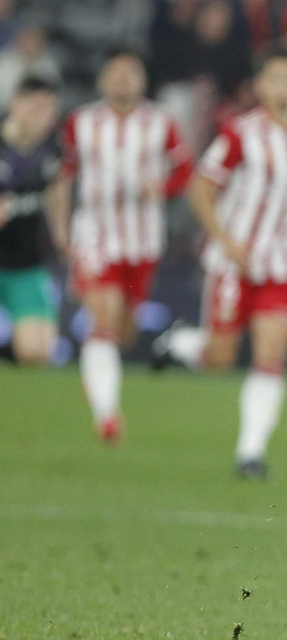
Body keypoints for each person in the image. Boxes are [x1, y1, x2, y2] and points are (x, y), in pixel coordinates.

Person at [150, 54, 287, 478]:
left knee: (271, 355)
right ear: (260, 85)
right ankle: (178, 344)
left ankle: (250, 453)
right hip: (233, 263)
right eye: (276, 78)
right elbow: (200, 188)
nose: (285, 86)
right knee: (219, 358)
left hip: (282, 265)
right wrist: (228, 243)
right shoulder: (240, 133)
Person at [59, 52, 193, 443]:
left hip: (142, 240)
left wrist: (161, 187)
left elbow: (184, 170)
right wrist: (63, 232)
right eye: (115, 72)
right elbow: (64, 176)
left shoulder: (161, 122)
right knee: (102, 319)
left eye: (130, 72)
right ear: (102, 80)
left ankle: (98, 375)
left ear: (142, 80)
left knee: (124, 331)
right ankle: (107, 416)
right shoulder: (81, 122)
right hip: (95, 235)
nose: (122, 79)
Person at [0, 77, 66, 365]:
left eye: (50, 109)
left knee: (37, 353)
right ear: (15, 103)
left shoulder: (51, 148)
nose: (44, 116)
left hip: (25, 264)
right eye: (36, 107)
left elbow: (58, 189)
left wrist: (62, 234)